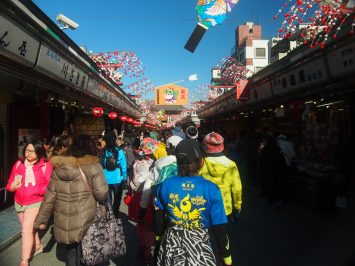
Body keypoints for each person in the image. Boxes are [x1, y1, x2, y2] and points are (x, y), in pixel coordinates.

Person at [154, 139, 232, 265]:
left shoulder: (165, 185)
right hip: (199, 248)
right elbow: (219, 226)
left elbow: (158, 215)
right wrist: (226, 256)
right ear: (201, 161)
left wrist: (158, 238)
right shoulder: (211, 189)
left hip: (171, 245)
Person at [34, 134, 108, 266]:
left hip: (64, 217)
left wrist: (41, 220)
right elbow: (102, 194)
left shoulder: (59, 167)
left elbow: (49, 196)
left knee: (71, 251)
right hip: (86, 217)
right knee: (85, 251)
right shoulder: (93, 166)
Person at [6, 139, 53, 266]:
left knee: (26, 230)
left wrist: (36, 189)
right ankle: (37, 245)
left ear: (39, 152)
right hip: (19, 202)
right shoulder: (18, 164)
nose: (29, 153)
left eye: (32, 151)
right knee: (29, 228)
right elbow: (10, 183)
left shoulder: (45, 166)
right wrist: (12, 187)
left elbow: (50, 187)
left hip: (35, 202)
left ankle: (24, 260)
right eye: (27, 150)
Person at [199, 132, 242, 223]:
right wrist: (237, 206)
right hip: (225, 207)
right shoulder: (231, 164)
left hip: (205, 206)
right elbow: (237, 189)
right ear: (222, 146)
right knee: (223, 234)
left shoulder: (201, 163)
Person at [129, 137, 159, 265]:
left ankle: (141, 246)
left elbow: (134, 179)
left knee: (140, 223)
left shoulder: (137, 161)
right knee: (148, 225)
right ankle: (147, 252)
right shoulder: (153, 163)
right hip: (147, 196)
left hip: (136, 195)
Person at [140, 135, 183, 212]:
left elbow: (148, 183)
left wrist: (143, 206)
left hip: (160, 200)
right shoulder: (189, 163)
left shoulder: (161, 158)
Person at [101, 130, 127, 218]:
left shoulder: (103, 152)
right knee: (117, 199)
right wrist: (124, 178)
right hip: (117, 179)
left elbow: (100, 166)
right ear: (115, 139)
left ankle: (109, 215)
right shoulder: (120, 152)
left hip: (105, 179)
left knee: (108, 200)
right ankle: (115, 215)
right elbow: (124, 167)